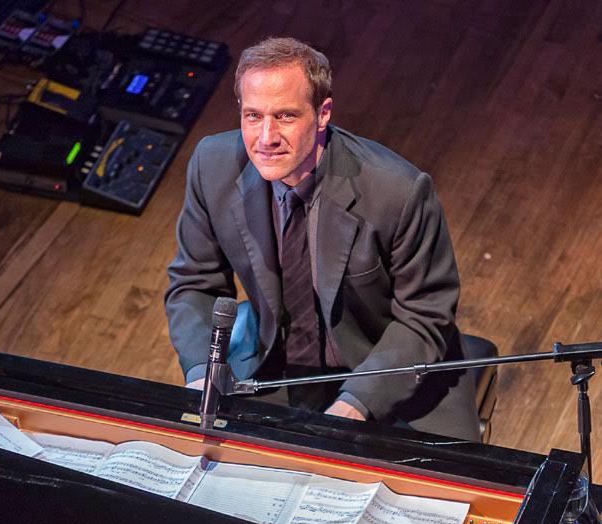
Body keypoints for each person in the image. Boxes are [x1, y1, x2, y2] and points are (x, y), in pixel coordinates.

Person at [164, 37, 481, 441]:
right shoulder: (212, 164)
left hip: (387, 371)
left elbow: (424, 317)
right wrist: (200, 374)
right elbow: (193, 284)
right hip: (270, 364)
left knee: (442, 492)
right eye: (252, 116)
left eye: (285, 116)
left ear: (322, 113)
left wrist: (354, 406)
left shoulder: (398, 191)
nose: (266, 137)